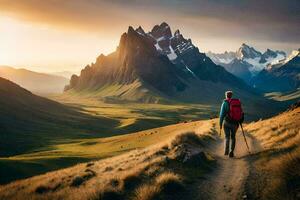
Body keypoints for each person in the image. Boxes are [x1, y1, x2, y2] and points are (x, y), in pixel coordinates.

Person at [219, 91, 244, 158]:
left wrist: (220, 124)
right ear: (231, 96)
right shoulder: (237, 102)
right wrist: (240, 121)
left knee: (227, 137)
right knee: (233, 137)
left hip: (227, 122)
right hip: (235, 123)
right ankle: (231, 152)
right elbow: (241, 113)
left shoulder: (225, 103)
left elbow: (221, 115)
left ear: (226, 96)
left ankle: (226, 152)